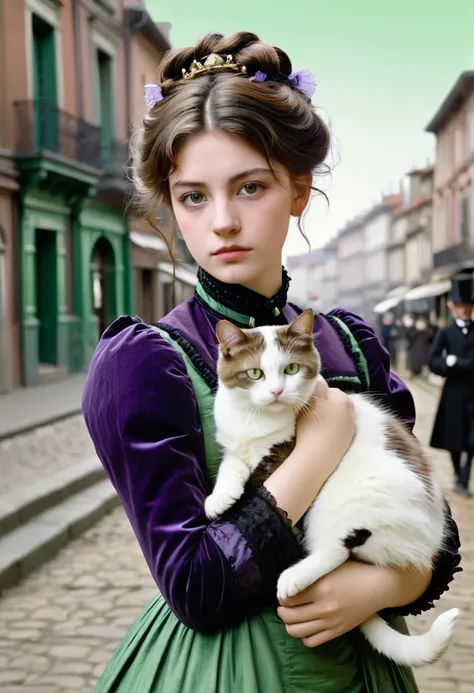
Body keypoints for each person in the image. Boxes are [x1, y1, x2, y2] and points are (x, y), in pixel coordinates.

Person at [82, 32, 461, 693]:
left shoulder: (349, 343)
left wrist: (389, 580)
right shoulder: (146, 363)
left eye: (250, 187)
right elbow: (196, 585)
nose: (222, 221)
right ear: (171, 205)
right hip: (227, 674)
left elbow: (432, 523)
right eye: (194, 196)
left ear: (297, 190)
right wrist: (322, 441)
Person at [429, 274, 474, 497]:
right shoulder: (445, 332)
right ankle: (458, 474)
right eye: (461, 306)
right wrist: (448, 363)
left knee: (473, 441)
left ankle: (465, 479)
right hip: (454, 393)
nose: (465, 310)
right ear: (452, 306)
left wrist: (459, 362)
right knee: (455, 439)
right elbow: (433, 360)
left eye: (468, 306)